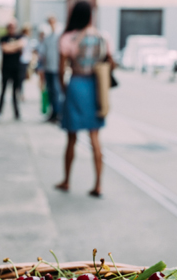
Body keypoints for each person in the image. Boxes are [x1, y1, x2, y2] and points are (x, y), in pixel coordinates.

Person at [55, 1, 112, 197]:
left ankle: (66, 180)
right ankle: (98, 184)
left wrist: (65, 88)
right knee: (95, 137)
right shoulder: (101, 37)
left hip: (76, 85)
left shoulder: (68, 38)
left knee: (71, 138)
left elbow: (61, 69)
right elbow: (111, 62)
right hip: (95, 87)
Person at [0, 20, 25, 120]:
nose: (11, 29)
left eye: (13, 27)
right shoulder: (3, 38)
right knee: (3, 91)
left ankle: (17, 114)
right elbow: (5, 49)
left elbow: (22, 45)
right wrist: (15, 46)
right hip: (6, 69)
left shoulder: (20, 37)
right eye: (10, 27)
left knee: (15, 92)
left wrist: (11, 47)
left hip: (16, 69)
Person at [40, 16, 62, 123]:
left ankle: (58, 113)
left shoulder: (59, 35)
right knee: (51, 91)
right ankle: (53, 112)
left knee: (57, 91)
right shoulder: (47, 37)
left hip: (57, 69)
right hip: (48, 68)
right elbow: (43, 53)